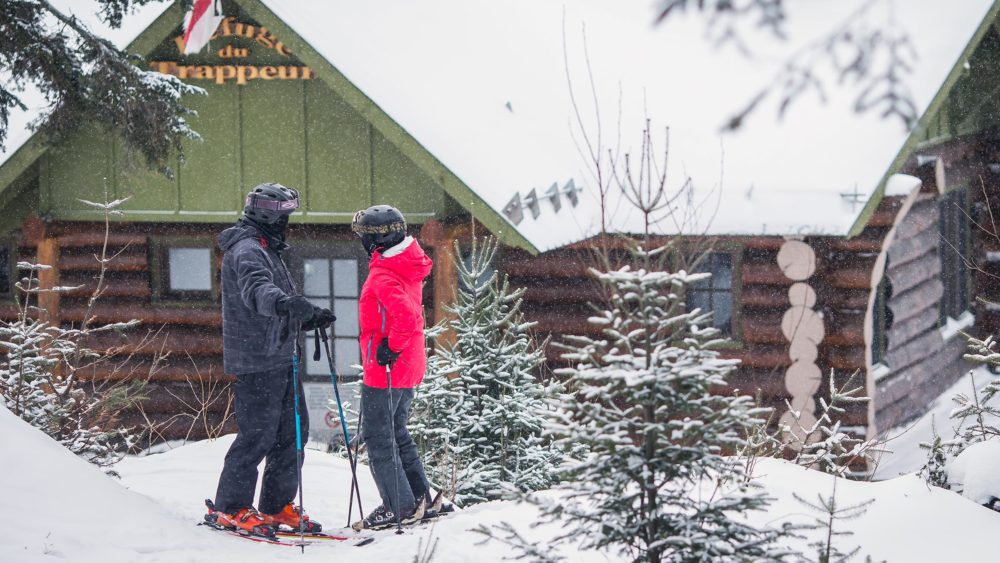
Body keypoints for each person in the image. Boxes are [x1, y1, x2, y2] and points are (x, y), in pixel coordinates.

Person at [206, 182, 335, 537]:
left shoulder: (268, 247)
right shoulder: (247, 249)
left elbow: (279, 298)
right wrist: (282, 303)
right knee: (257, 437)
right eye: (284, 217)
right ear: (268, 216)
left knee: (292, 435)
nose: (287, 224)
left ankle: (277, 505)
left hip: (281, 355)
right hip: (257, 359)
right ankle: (230, 508)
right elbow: (257, 289)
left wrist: (306, 315)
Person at [350, 205, 434, 530]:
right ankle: (419, 498)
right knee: (397, 433)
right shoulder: (403, 265)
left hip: (387, 368)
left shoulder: (383, 274)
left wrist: (390, 347)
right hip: (407, 366)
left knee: (379, 437)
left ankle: (397, 506)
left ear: (376, 241)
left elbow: (406, 316)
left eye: (364, 236)